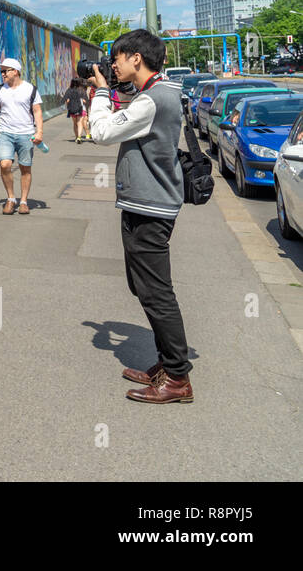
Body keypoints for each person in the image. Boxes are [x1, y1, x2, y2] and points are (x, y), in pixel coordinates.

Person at [87, 29, 192, 404]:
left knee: (156, 292)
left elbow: (100, 132)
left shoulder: (152, 101)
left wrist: (100, 92)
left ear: (136, 58)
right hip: (145, 203)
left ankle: (177, 377)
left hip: (150, 207)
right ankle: (168, 363)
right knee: (144, 287)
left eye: (117, 57)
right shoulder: (158, 93)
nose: (112, 64)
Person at [0, 57, 43, 215]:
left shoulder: (30, 89)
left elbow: (37, 112)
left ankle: (24, 201)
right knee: (5, 164)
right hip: (6, 133)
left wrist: (39, 132)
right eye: (1, 71)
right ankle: (11, 198)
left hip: (26, 134)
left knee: (25, 168)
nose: (2, 74)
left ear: (15, 72)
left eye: (5, 71)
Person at [65, 78, 87, 143]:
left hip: (72, 109)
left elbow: (67, 101)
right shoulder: (82, 90)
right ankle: (79, 137)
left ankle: (76, 137)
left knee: (75, 124)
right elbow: (85, 101)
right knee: (80, 123)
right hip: (81, 108)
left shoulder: (69, 90)